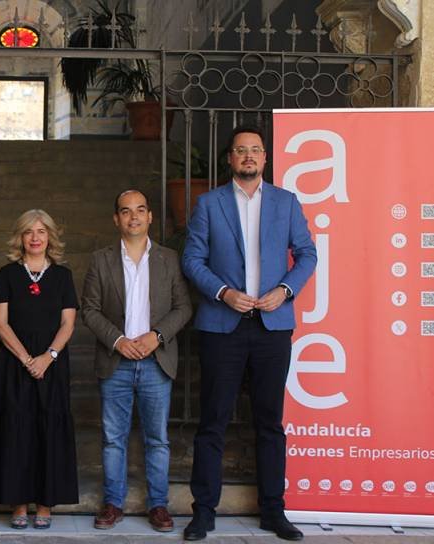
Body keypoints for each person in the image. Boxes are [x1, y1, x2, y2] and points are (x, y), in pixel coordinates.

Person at [181, 125, 317, 541]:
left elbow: (307, 254)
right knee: (213, 421)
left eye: (255, 150)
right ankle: (204, 512)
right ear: (230, 158)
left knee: (270, 423)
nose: (249, 156)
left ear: (265, 158)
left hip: (272, 326)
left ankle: (274, 511)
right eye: (241, 150)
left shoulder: (286, 202)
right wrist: (223, 292)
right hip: (222, 326)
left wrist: (285, 290)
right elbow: (192, 259)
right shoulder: (209, 203)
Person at [81, 189, 192, 533]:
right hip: (115, 360)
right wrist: (118, 341)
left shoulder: (168, 259)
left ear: (150, 217)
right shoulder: (101, 259)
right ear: (116, 218)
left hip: (156, 360)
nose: (134, 217)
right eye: (126, 211)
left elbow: (183, 307)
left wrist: (156, 336)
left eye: (140, 210)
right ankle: (113, 503)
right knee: (113, 438)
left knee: (157, 439)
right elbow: (89, 309)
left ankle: (158, 505)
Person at [0, 209, 79, 530]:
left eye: (41, 231)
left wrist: (48, 357)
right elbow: (0, 323)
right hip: (14, 363)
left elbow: (68, 323)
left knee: (49, 429)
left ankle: (45, 504)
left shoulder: (62, 276)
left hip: (52, 364)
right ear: (20, 237)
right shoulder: (8, 274)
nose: (35, 238)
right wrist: (26, 359)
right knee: (16, 430)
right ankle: (18, 502)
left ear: (50, 236)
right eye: (29, 232)